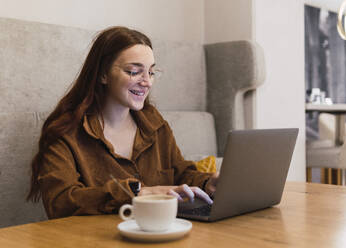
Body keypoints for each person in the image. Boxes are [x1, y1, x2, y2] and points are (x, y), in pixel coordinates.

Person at [27, 26, 218, 219]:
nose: (147, 82)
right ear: (103, 74)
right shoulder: (65, 132)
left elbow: (181, 174)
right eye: (134, 71)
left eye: (151, 72)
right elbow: (61, 203)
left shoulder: (155, 124)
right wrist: (137, 193)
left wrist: (207, 183)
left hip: (159, 233)